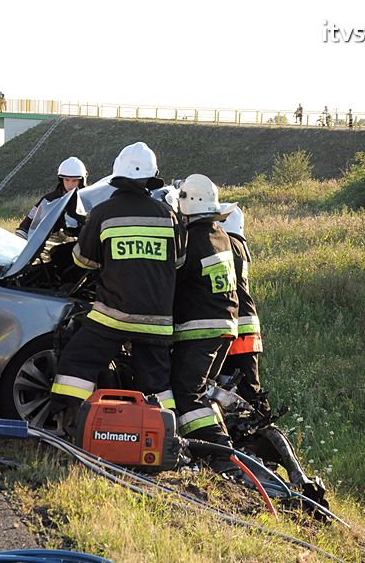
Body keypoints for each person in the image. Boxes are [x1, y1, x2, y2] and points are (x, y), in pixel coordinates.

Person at [49, 142, 185, 432]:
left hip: (114, 316)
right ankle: (166, 434)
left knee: (76, 361)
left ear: (117, 176)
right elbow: (178, 261)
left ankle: (71, 425)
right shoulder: (168, 215)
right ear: (151, 177)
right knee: (157, 383)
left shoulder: (104, 212)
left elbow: (83, 260)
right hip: (158, 321)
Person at [171, 174, 239, 471]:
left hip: (199, 328)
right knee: (203, 391)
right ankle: (212, 448)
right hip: (225, 326)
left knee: (187, 392)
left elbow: (174, 279)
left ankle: (221, 455)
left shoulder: (191, 239)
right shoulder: (220, 234)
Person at [218, 203, 270, 418]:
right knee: (244, 390)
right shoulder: (239, 247)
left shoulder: (227, 245)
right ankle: (260, 426)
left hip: (237, 330)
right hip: (246, 330)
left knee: (243, 394)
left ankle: (263, 431)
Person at [15, 156, 87, 239]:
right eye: (66, 180)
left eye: (74, 180)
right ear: (61, 180)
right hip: (51, 245)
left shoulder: (89, 201)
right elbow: (25, 228)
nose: (70, 184)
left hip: (82, 245)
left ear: (81, 181)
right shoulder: (48, 200)